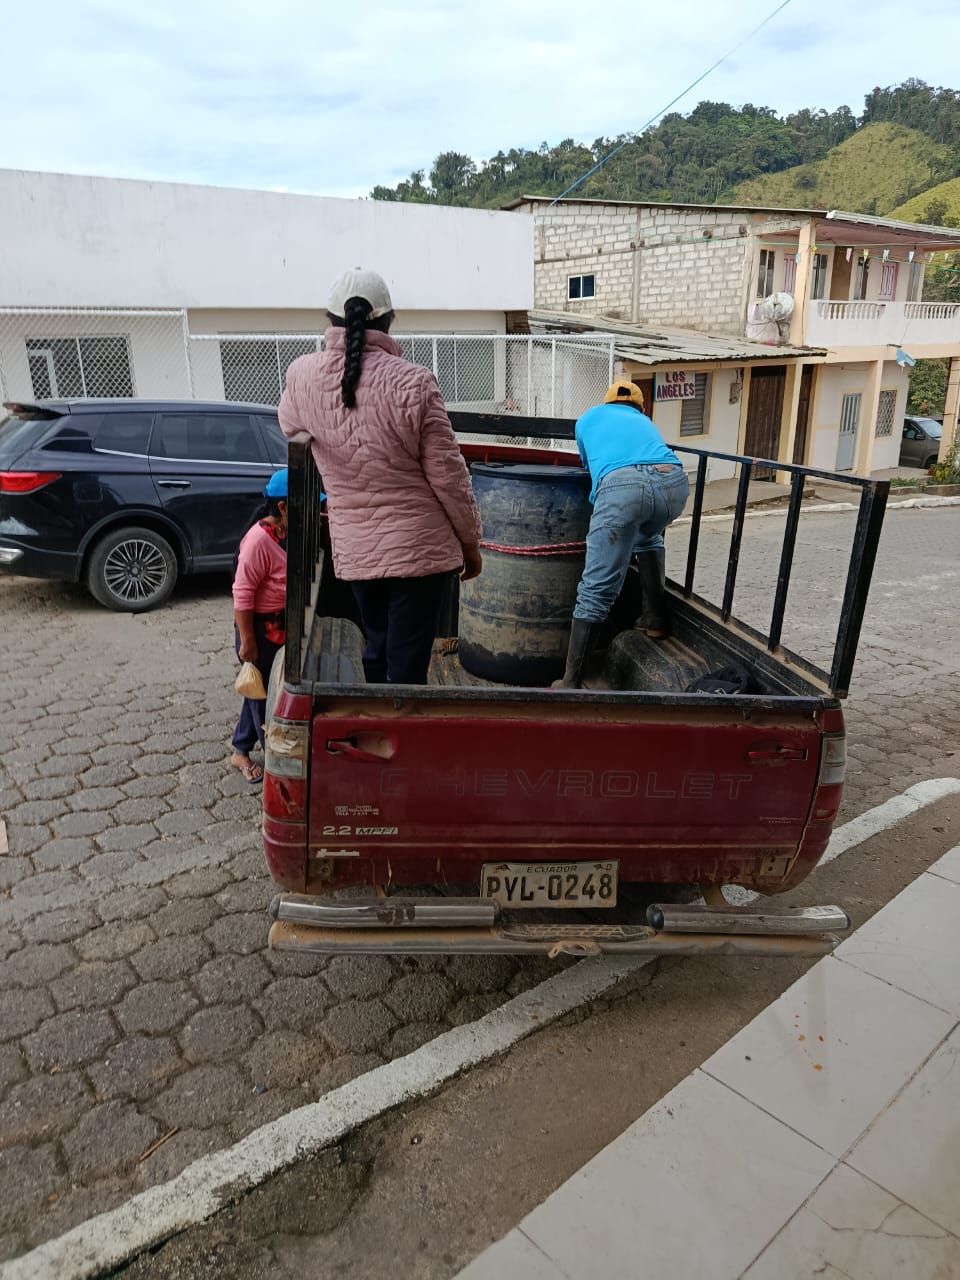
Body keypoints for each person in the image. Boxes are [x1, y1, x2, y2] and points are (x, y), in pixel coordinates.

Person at [278, 267, 482, 685]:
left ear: (331, 320)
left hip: (356, 548)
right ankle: (402, 721)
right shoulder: (415, 383)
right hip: (419, 549)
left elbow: (288, 425)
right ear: (388, 321)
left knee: (378, 645)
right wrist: (470, 542)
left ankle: (373, 716)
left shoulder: (301, 376)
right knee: (406, 661)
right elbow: (449, 476)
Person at [554, 381, 690, 689]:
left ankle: (571, 682)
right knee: (649, 536)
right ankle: (655, 619)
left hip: (625, 487)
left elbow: (592, 469)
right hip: (674, 484)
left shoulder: (587, 419)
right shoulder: (645, 422)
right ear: (640, 407)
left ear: (606, 403)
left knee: (597, 585)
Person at [229, 469, 288, 783]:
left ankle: (240, 749)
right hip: (257, 630)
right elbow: (242, 594)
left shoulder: (284, 533)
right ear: (282, 507)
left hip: (276, 626)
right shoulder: (258, 541)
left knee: (258, 688)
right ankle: (276, 766)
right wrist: (248, 641)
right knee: (261, 698)